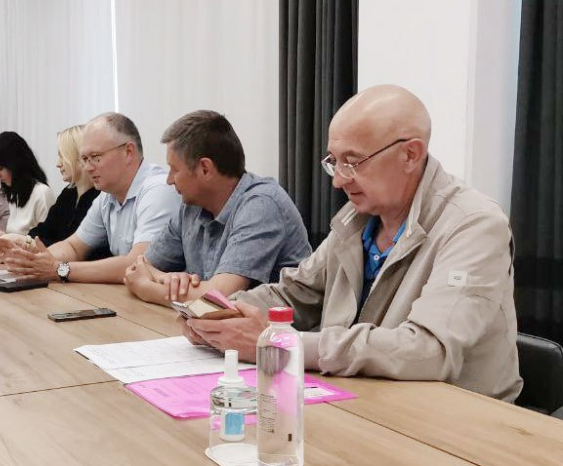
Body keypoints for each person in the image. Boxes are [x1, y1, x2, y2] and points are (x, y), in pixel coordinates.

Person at [184, 85, 522, 402]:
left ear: (410, 154)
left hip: (458, 418)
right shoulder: (357, 217)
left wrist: (283, 345)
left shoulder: (474, 225)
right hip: (368, 398)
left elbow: (429, 351)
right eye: (334, 162)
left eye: (353, 161)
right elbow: (296, 293)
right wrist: (215, 313)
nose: (339, 181)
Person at [124, 110, 311, 306]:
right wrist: (166, 278)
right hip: (210, 324)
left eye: (175, 170)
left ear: (205, 169)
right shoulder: (191, 207)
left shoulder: (261, 205)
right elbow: (138, 268)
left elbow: (218, 298)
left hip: (277, 325)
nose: (169, 180)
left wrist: (147, 288)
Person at [0, 113, 181, 283]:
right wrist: (31, 261)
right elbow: (74, 247)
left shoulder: (158, 190)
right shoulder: (107, 196)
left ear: (128, 152)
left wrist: (59, 269)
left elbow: (138, 265)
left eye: (95, 157)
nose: (88, 167)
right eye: (85, 159)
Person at [0, 125, 108, 258]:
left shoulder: (101, 197)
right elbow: (43, 231)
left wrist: (20, 243)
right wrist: (14, 242)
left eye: (62, 156)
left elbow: (80, 251)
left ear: (79, 157)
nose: (58, 164)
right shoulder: (68, 194)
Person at [0, 131, 56, 236]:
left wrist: (3, 237)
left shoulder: (42, 194)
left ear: (16, 164)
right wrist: (0, 235)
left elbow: (47, 241)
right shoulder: (14, 194)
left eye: (1, 168)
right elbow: (18, 236)